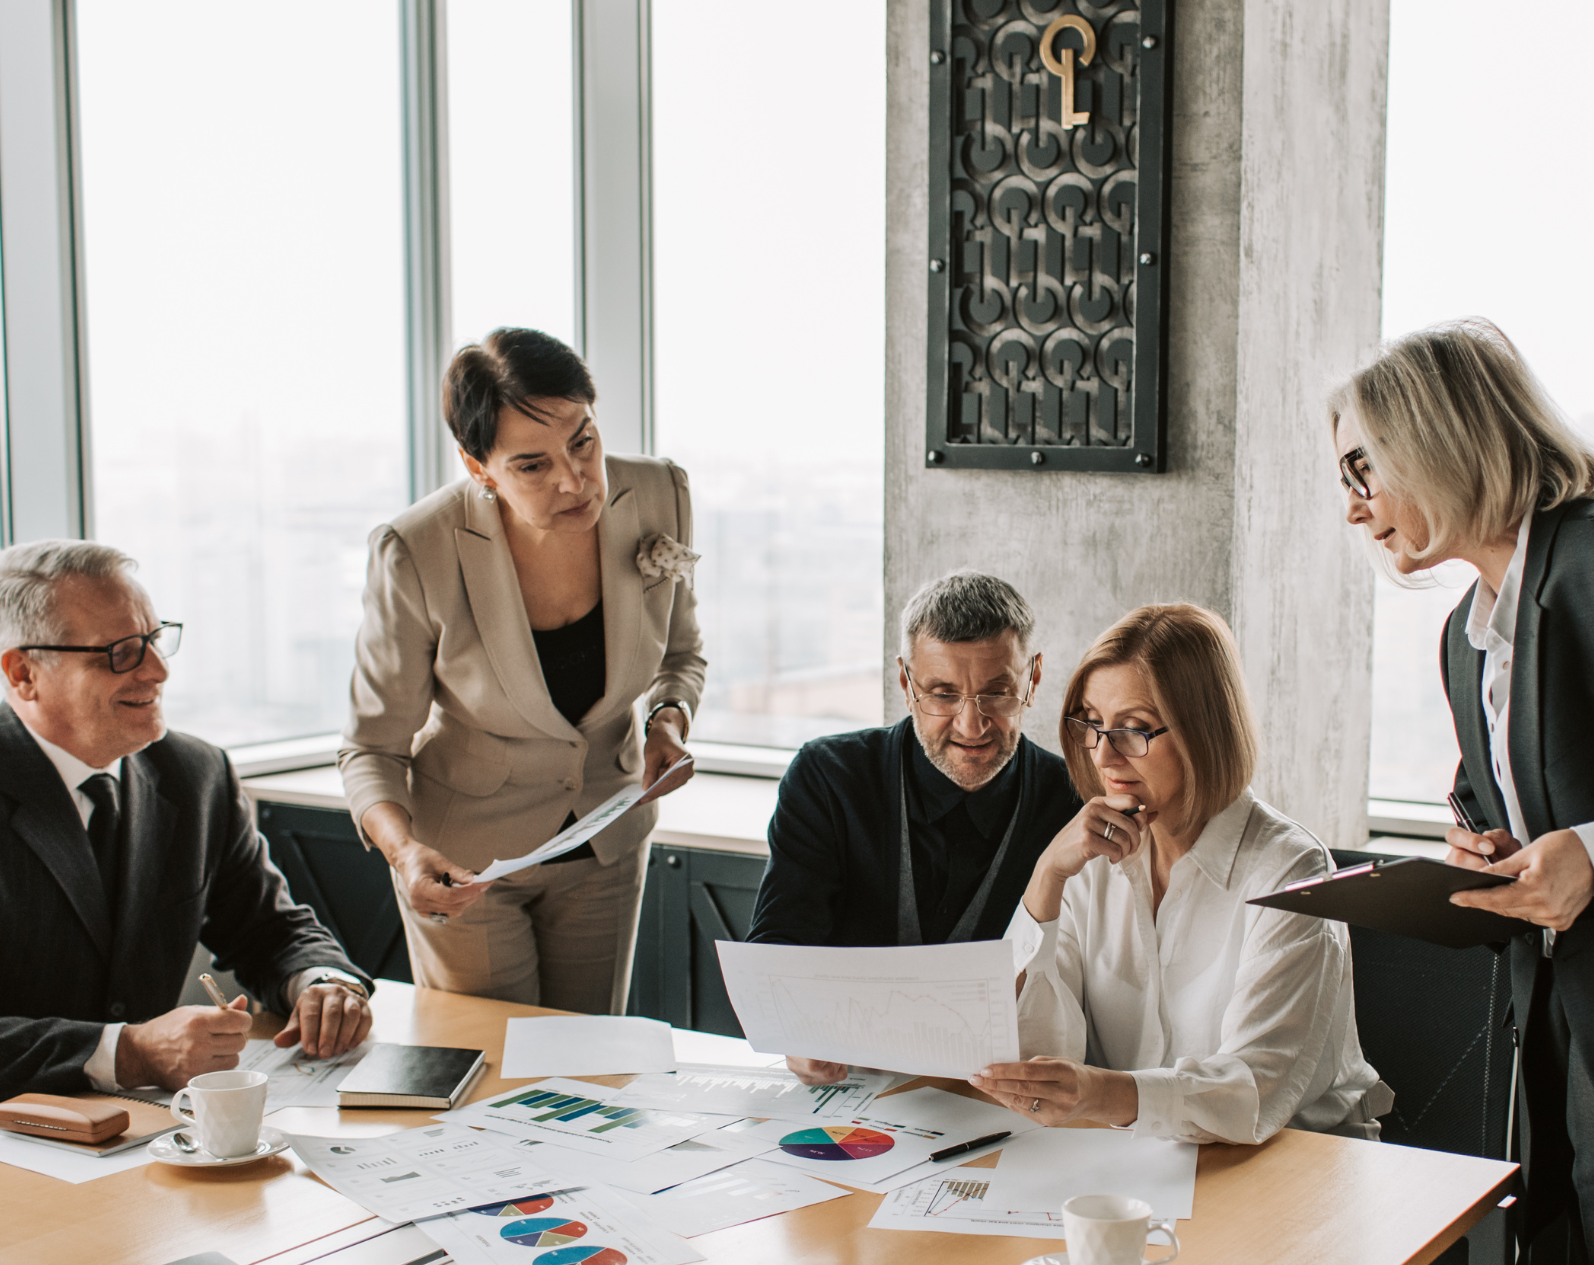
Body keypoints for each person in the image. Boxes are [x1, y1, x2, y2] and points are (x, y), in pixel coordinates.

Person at [1332, 318, 1594, 1265]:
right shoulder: (1465, 636)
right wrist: (1479, 845)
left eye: (1365, 470)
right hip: (1565, 1028)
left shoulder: (1588, 564)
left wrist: (1592, 852)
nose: (1356, 509)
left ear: (1436, 436)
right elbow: (1509, 797)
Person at [341, 328, 705, 1012]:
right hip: (467, 865)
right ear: (478, 468)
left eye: (583, 441)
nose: (573, 479)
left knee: (591, 1073)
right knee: (492, 1075)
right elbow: (370, 746)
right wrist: (404, 852)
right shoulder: (416, 549)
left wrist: (667, 719)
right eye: (532, 466)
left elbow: (681, 654)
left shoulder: (660, 493)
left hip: (605, 842)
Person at [971, 603, 1386, 1145]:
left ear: (1205, 730)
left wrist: (1099, 1093)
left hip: (1292, 1167)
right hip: (1139, 1159)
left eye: (1135, 730)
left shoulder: (1290, 870)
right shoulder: (1088, 860)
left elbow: (1251, 1088)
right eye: (1092, 725)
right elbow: (1030, 1056)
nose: (1105, 756)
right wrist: (1045, 879)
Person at [0, 540, 372, 1102]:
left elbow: (267, 928)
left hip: (152, 1132)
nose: (157, 670)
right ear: (24, 673)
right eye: (120, 652)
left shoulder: (195, 774)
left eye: (153, 640)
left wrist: (322, 982)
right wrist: (125, 1051)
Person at [746, 571, 1082, 1085]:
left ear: (1032, 680)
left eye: (997, 694)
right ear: (906, 683)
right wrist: (797, 1033)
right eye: (943, 695)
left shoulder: (1072, 800)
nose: (972, 726)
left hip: (1003, 1102)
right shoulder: (827, 777)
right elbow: (778, 947)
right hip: (852, 1091)